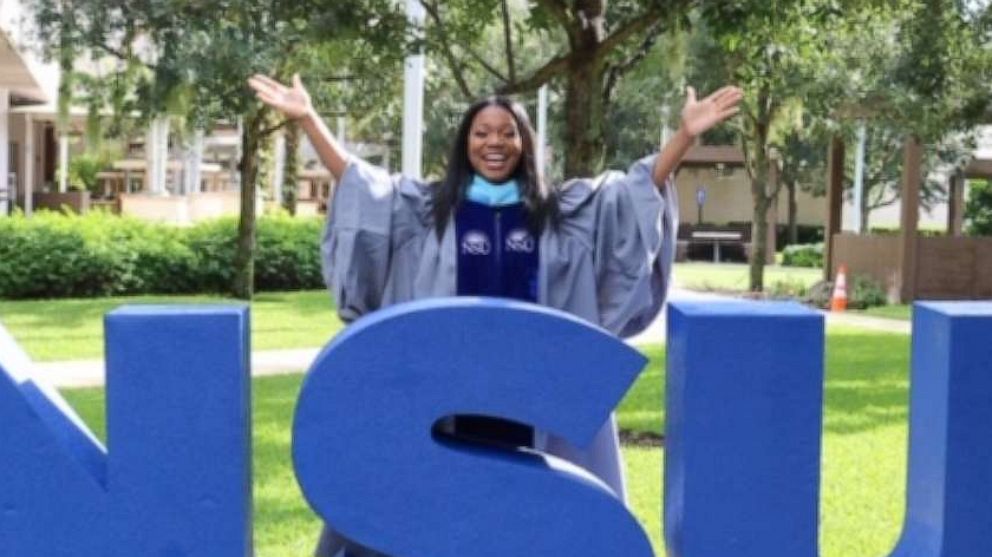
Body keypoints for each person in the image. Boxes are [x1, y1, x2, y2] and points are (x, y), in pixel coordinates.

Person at [249, 73, 742, 557]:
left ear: (525, 143)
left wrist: (684, 137)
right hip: (444, 397)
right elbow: (359, 182)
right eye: (481, 133)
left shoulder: (560, 210)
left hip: (533, 398)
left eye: (507, 133)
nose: (495, 143)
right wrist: (310, 119)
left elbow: (635, 191)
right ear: (465, 143)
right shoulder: (429, 210)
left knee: (541, 511)